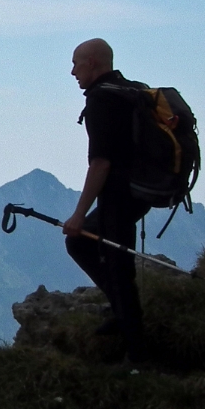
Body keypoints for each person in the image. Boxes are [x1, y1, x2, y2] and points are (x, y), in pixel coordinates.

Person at [62, 38, 150, 363]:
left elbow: (100, 163)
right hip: (140, 192)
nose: (73, 71)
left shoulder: (101, 100)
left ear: (94, 62)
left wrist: (78, 214)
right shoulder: (130, 90)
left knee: (117, 268)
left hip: (119, 197)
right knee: (83, 243)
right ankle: (122, 313)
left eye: (76, 63)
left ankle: (137, 357)